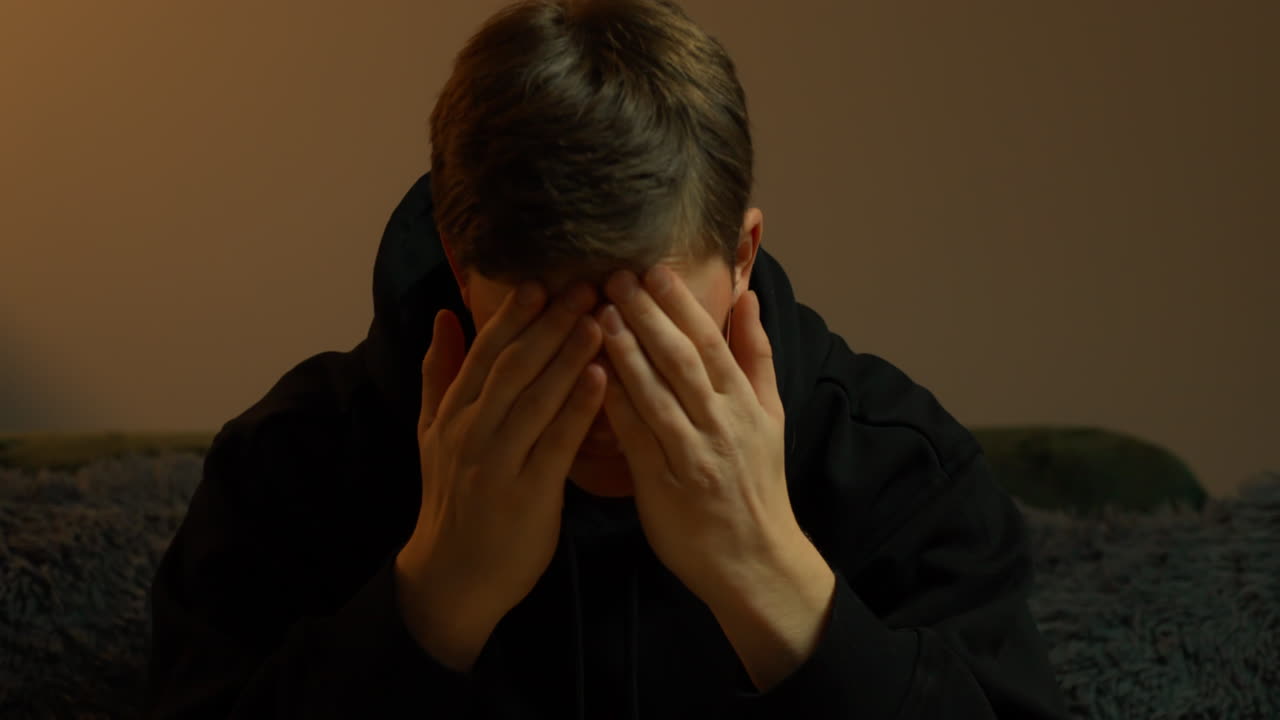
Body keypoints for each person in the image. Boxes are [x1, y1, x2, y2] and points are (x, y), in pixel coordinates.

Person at [146, 0, 1070, 717]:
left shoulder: (896, 469)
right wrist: (433, 603)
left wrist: (770, 582)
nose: (600, 401)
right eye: (548, 338)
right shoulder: (290, 468)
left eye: (647, 333)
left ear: (742, 255)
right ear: (464, 274)